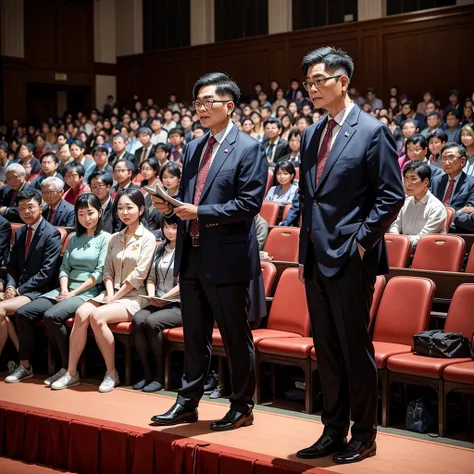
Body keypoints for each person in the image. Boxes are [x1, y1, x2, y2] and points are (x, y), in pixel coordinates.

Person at [296, 47, 404, 463]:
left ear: (343, 81)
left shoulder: (371, 130)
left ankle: (364, 435)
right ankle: (331, 431)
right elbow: (312, 197)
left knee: (354, 348)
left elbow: (390, 194)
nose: (312, 89)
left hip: (351, 258)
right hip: (315, 257)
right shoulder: (310, 134)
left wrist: (360, 243)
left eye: (319, 80)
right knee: (326, 349)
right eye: (308, 83)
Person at [151, 72, 267, 431]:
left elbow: (249, 204)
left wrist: (200, 212)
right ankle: (187, 403)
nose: (200, 109)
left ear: (228, 106)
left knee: (234, 337)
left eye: (207, 102)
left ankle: (242, 406)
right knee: (194, 335)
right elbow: (190, 199)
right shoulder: (194, 147)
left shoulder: (250, 147)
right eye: (197, 103)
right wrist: (170, 208)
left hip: (227, 257)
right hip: (192, 252)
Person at [52, 188, 155, 392]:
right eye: (120, 208)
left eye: (129, 208)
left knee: (97, 317)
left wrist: (114, 297)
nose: (124, 212)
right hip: (110, 293)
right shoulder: (115, 237)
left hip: (134, 296)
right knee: (82, 314)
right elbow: (107, 269)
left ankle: (111, 373)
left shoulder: (148, 238)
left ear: (141, 210)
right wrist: (109, 293)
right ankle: (71, 372)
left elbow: (138, 275)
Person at [15, 194, 110, 388]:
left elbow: (99, 272)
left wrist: (73, 294)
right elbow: (64, 267)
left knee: (52, 316)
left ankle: (68, 368)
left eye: (90, 213)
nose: (86, 218)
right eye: (81, 214)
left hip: (87, 292)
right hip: (64, 288)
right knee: (23, 313)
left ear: (100, 213)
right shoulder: (74, 237)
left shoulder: (106, 238)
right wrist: (65, 289)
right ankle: (25, 365)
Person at [4, 188, 62, 383]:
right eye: (21, 208)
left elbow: (47, 273)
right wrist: (10, 286)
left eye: (30, 207)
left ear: (41, 207)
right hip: (20, 289)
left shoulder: (51, 234)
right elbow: (11, 267)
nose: (26, 212)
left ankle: (25, 364)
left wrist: (19, 289)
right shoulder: (20, 232)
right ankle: (23, 359)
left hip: (40, 290)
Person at [132, 215, 182, 393]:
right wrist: (152, 295)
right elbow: (151, 277)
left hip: (178, 304)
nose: (170, 231)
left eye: (174, 227)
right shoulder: (160, 248)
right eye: (166, 227)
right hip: (158, 300)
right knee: (138, 319)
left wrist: (165, 298)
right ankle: (148, 373)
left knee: (152, 322)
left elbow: (183, 283)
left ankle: (161, 375)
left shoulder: (187, 249)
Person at [388, 161, 446, 247]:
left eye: (413, 179)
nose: (407, 183)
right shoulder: (405, 202)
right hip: (403, 248)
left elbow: (423, 238)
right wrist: (394, 236)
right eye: (406, 178)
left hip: (426, 253)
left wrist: (399, 241)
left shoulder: (436, 208)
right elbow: (396, 225)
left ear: (425, 182)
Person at [430, 142, 474, 211]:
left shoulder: (472, 183)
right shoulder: (435, 181)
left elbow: (468, 210)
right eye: (444, 158)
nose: (447, 163)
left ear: (462, 161)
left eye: (451, 157)